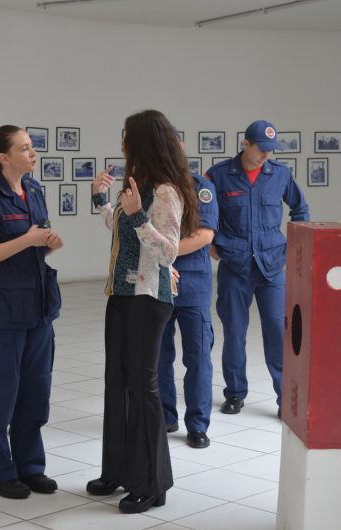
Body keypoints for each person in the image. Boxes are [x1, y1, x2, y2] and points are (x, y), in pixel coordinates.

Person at [87, 109, 199, 514]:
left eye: (126, 136)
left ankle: (152, 483)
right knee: (116, 384)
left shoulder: (166, 191)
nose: (121, 142)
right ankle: (116, 471)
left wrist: (135, 213)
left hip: (148, 300)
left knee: (143, 387)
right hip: (120, 296)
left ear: (142, 142)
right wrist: (104, 201)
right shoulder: (138, 186)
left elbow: (167, 251)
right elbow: (121, 231)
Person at [0, 125, 63, 500]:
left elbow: (37, 248)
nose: (32, 153)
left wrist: (49, 243)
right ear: (4, 157)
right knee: (1, 396)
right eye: (24, 148)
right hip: (3, 314)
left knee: (35, 394)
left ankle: (30, 467)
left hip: (38, 309)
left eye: (32, 147)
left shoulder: (35, 191)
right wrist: (26, 239)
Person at [205, 120, 310, 416]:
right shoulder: (219, 175)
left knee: (278, 331)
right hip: (235, 266)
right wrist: (211, 242)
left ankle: (284, 399)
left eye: (270, 150)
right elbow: (204, 213)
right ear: (246, 144)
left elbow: (301, 209)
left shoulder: (280, 174)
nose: (266, 155)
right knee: (235, 332)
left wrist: (291, 247)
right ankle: (235, 393)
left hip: (272, 267)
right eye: (261, 149)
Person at [157, 129, 218, 449]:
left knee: (197, 356)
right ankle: (166, 415)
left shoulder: (202, 188)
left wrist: (160, 250)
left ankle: (197, 423)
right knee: (159, 354)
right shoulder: (151, 189)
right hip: (157, 282)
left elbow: (205, 237)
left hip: (192, 283)